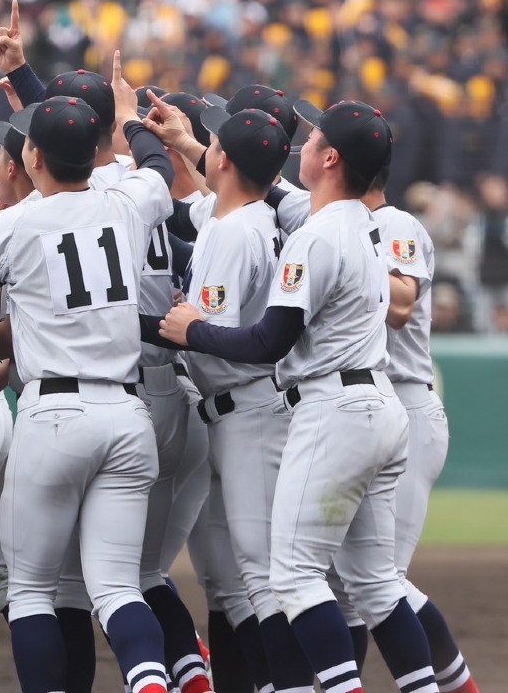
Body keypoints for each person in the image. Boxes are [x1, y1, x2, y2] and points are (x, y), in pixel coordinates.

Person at [160, 100, 442, 693]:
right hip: (377, 407)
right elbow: (254, 190)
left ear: (330, 158)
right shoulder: (363, 223)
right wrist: (190, 146)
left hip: (335, 411)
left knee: (291, 577)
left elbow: (269, 341)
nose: (301, 148)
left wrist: (193, 330)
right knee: (375, 584)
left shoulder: (316, 235)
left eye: (311, 141)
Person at [0, 39, 179, 693]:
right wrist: (132, 120)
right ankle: (151, 683)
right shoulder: (128, 202)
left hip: (55, 413)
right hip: (127, 414)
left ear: (33, 158)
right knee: (116, 587)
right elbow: (157, 166)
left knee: (30, 590)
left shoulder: (21, 221)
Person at [164, 105, 315, 691]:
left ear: (222, 158)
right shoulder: (245, 215)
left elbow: (213, 334)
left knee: (262, 576)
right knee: (232, 582)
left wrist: (176, 326)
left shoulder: (235, 228)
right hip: (232, 413)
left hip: (250, 409)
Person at [362, 168, 482, 693]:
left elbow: (401, 305)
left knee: (381, 579)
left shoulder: (397, 225)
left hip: (406, 404)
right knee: (350, 581)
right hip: (364, 413)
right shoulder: (333, 221)